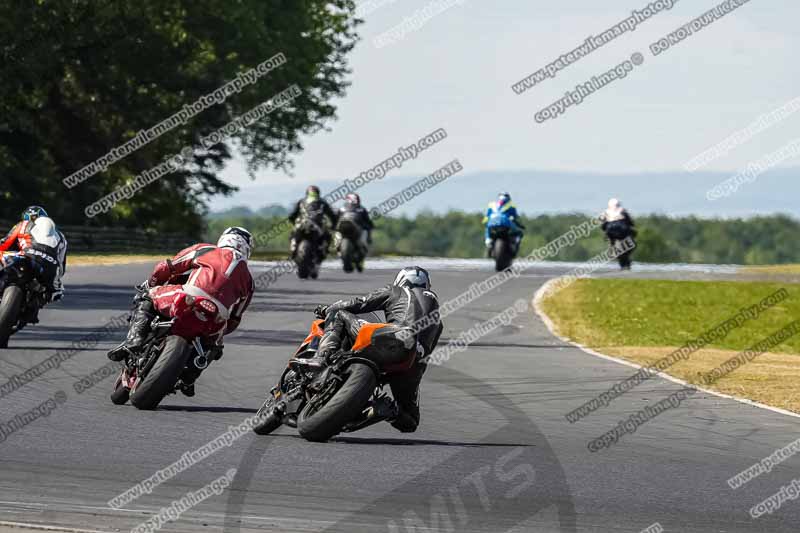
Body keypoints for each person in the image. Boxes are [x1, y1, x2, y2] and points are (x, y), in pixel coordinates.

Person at [107, 227, 255, 397]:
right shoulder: (249, 282)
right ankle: (190, 377)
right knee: (216, 345)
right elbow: (235, 318)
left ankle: (135, 340)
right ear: (247, 249)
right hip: (216, 316)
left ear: (224, 239)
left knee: (147, 296)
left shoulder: (206, 249)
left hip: (188, 298)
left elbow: (166, 267)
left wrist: (151, 283)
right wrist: (220, 331)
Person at [312, 266, 443, 433]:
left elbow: (359, 303)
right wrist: (411, 379)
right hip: (410, 363)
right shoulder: (438, 321)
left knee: (339, 313)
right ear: (427, 285)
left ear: (401, 281)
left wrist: (327, 309)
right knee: (410, 420)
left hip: (390, 337)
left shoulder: (396, 291)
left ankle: (323, 356)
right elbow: (426, 357)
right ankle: (386, 410)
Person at [0, 206, 67, 311]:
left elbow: (4, 244)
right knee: (50, 293)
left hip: (27, 256)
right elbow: (62, 267)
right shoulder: (61, 236)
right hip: (50, 268)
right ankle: (32, 305)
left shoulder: (23, 225)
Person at [288, 185, 338, 263]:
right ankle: (323, 251)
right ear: (318, 193)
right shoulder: (323, 203)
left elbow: (292, 215)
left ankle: (293, 247)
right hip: (317, 226)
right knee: (328, 235)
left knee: (293, 234)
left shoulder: (301, 201)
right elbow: (332, 216)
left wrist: (293, 222)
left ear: (307, 193)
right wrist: (333, 225)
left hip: (302, 224)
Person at [336, 193, 374, 271]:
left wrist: (369, 229)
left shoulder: (360, 209)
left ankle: (360, 259)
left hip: (357, 231)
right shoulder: (359, 209)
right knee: (337, 241)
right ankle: (343, 254)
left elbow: (368, 222)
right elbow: (335, 220)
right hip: (344, 230)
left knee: (364, 241)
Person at [483, 192, 525, 257]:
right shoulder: (511, 205)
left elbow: (486, 218)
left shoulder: (491, 205)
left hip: (492, 224)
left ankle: (488, 242)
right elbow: (515, 217)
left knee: (487, 229)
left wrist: (485, 223)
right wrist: (520, 225)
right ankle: (515, 246)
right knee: (519, 233)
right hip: (506, 224)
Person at [600, 198, 637, 269]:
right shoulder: (623, 211)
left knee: (612, 242)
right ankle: (622, 253)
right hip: (623, 232)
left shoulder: (606, 212)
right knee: (633, 240)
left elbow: (603, 226)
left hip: (611, 234)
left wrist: (607, 232)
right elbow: (631, 223)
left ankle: (613, 248)